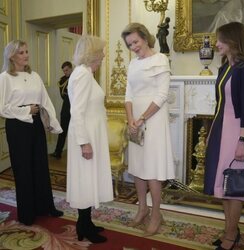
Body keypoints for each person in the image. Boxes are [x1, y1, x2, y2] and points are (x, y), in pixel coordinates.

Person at [0, 40, 64, 226]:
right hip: (17, 126)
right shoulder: (4, 78)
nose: (26, 55)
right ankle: (27, 213)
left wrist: (53, 123)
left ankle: (46, 207)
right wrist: (26, 110)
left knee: (40, 165)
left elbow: (45, 101)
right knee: (23, 169)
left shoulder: (34, 75)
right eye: (21, 52)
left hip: (36, 125)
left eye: (27, 51)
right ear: (11, 56)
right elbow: (2, 107)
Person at [121, 23, 175, 236]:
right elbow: (128, 95)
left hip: (153, 119)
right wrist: (131, 119)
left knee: (152, 168)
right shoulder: (133, 64)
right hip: (135, 120)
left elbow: (162, 95)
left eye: (135, 41)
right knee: (138, 166)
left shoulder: (160, 59)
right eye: (129, 44)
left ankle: (155, 214)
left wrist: (142, 118)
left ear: (145, 37)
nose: (133, 47)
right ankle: (142, 208)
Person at [204, 22, 244, 250]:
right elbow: (219, 105)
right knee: (222, 185)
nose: (217, 44)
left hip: (238, 132)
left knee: (234, 189)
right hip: (221, 130)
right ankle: (232, 230)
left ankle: (231, 237)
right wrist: (211, 132)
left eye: (220, 40)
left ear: (232, 41)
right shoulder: (225, 68)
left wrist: (243, 141)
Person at [66, 34, 113, 243]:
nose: (103, 55)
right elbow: (77, 112)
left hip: (90, 134)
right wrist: (84, 142)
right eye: (101, 52)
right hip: (85, 136)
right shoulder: (83, 75)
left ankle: (86, 222)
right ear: (92, 54)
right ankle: (83, 225)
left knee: (88, 177)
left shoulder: (84, 73)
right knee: (85, 179)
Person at [50, 61, 73, 159]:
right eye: (64, 71)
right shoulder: (62, 80)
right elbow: (63, 96)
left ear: (71, 68)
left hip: (77, 108)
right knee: (62, 131)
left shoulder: (77, 78)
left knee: (76, 132)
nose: (65, 72)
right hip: (66, 107)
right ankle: (58, 151)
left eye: (67, 70)